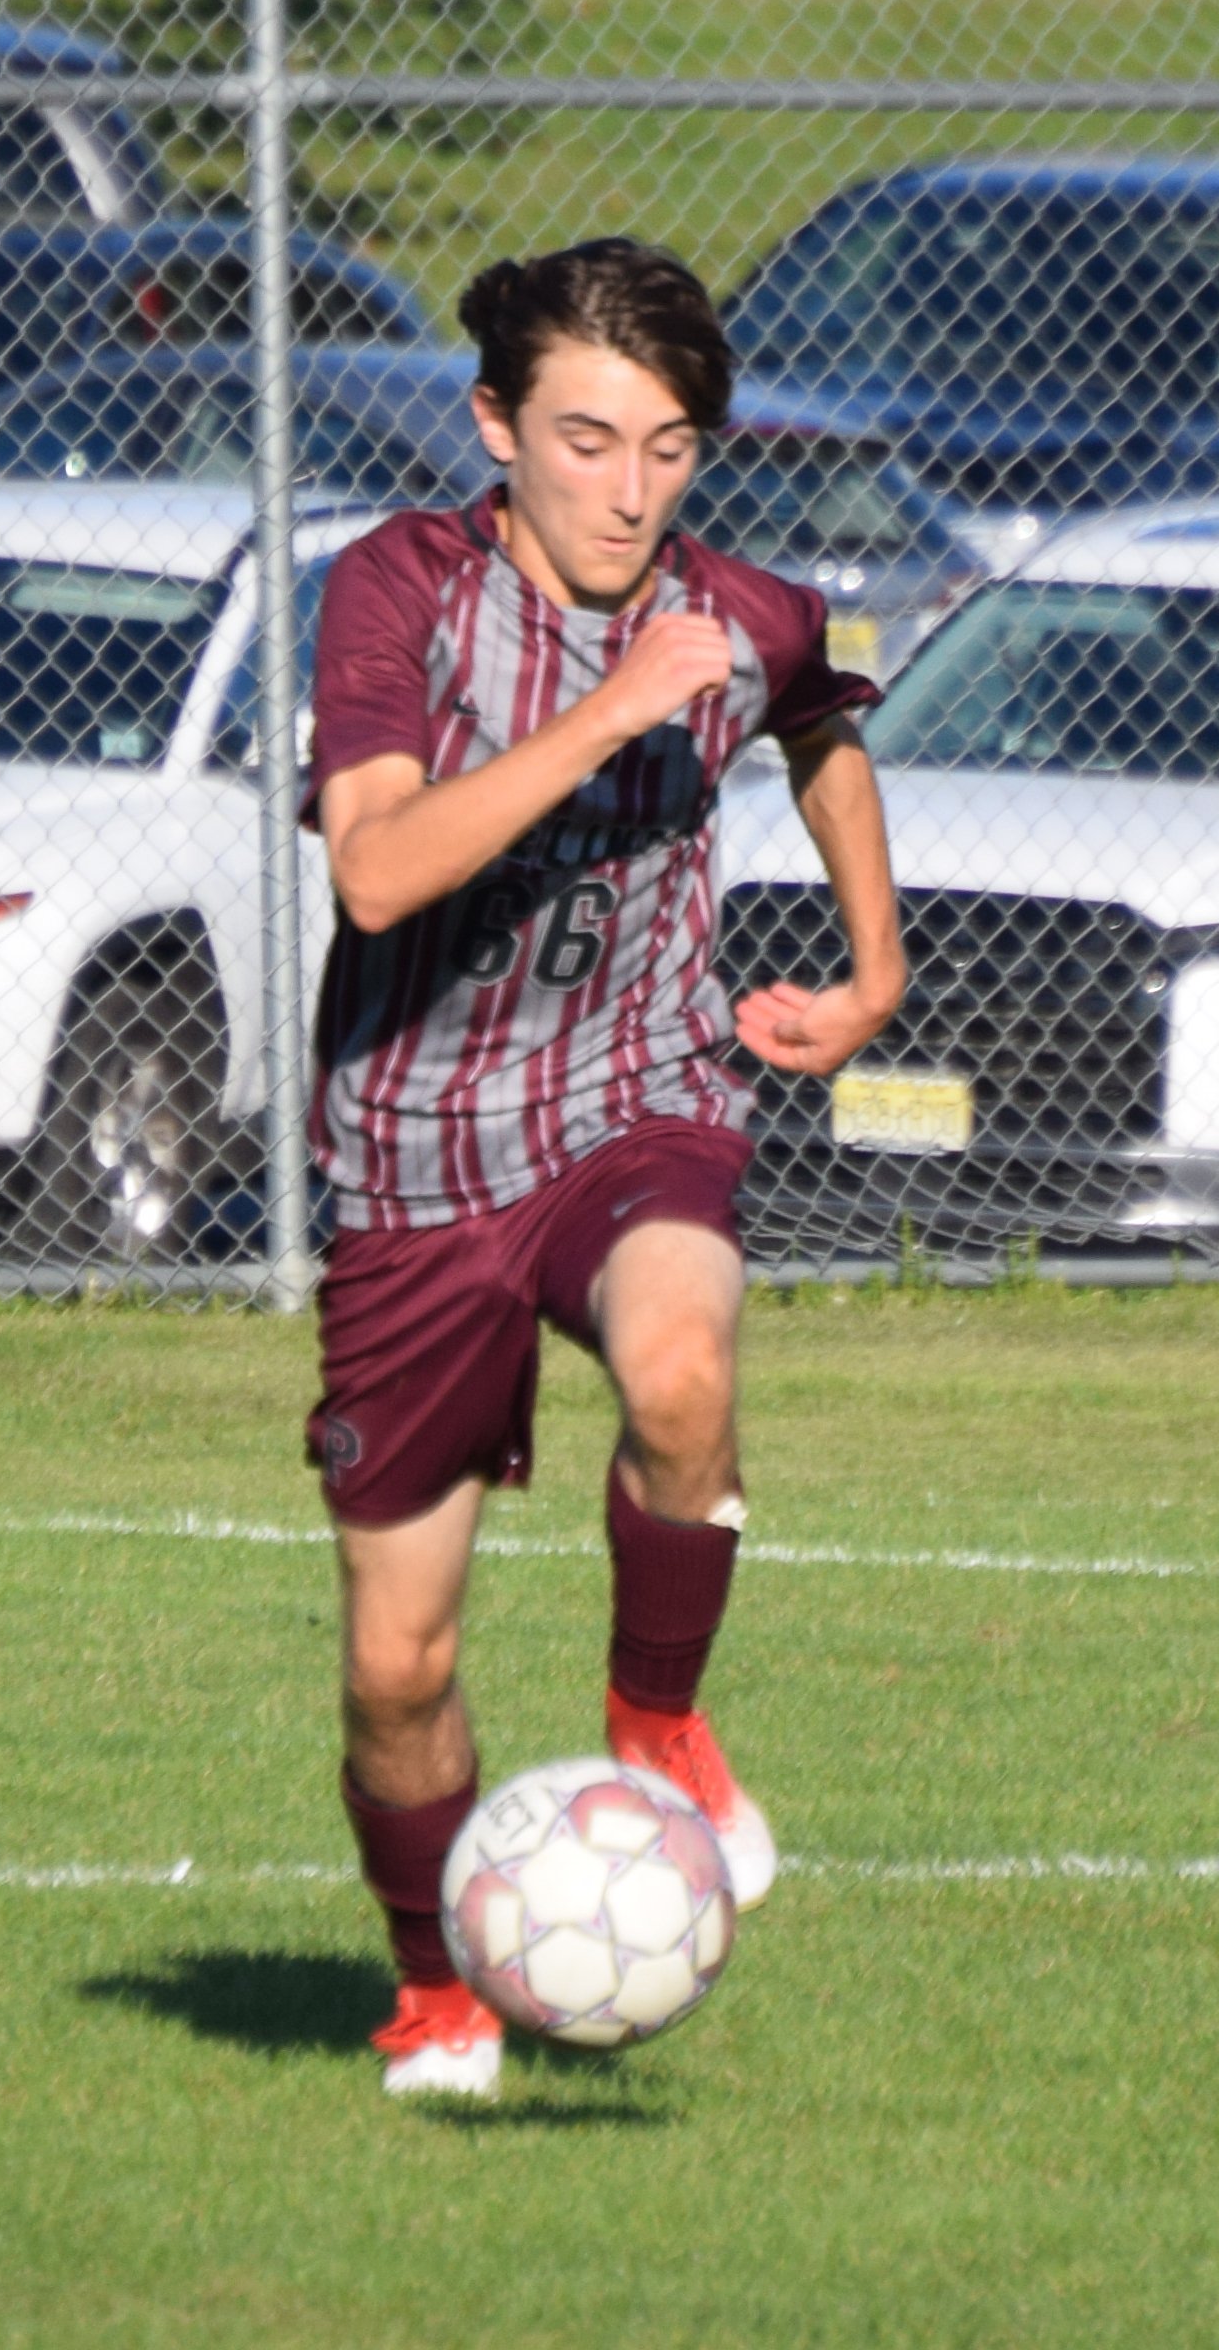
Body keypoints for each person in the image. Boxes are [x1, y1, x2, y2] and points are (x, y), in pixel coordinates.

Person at [303, 238, 906, 2098]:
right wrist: (615, 710)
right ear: (496, 428)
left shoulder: (737, 611)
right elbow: (376, 875)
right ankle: (437, 1989)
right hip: (416, 1160)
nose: (631, 493)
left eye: (667, 450)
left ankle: (656, 1723)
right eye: (585, 441)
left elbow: (818, 721)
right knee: (399, 1668)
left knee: (684, 1366)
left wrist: (874, 971)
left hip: (635, 1101)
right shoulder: (396, 588)